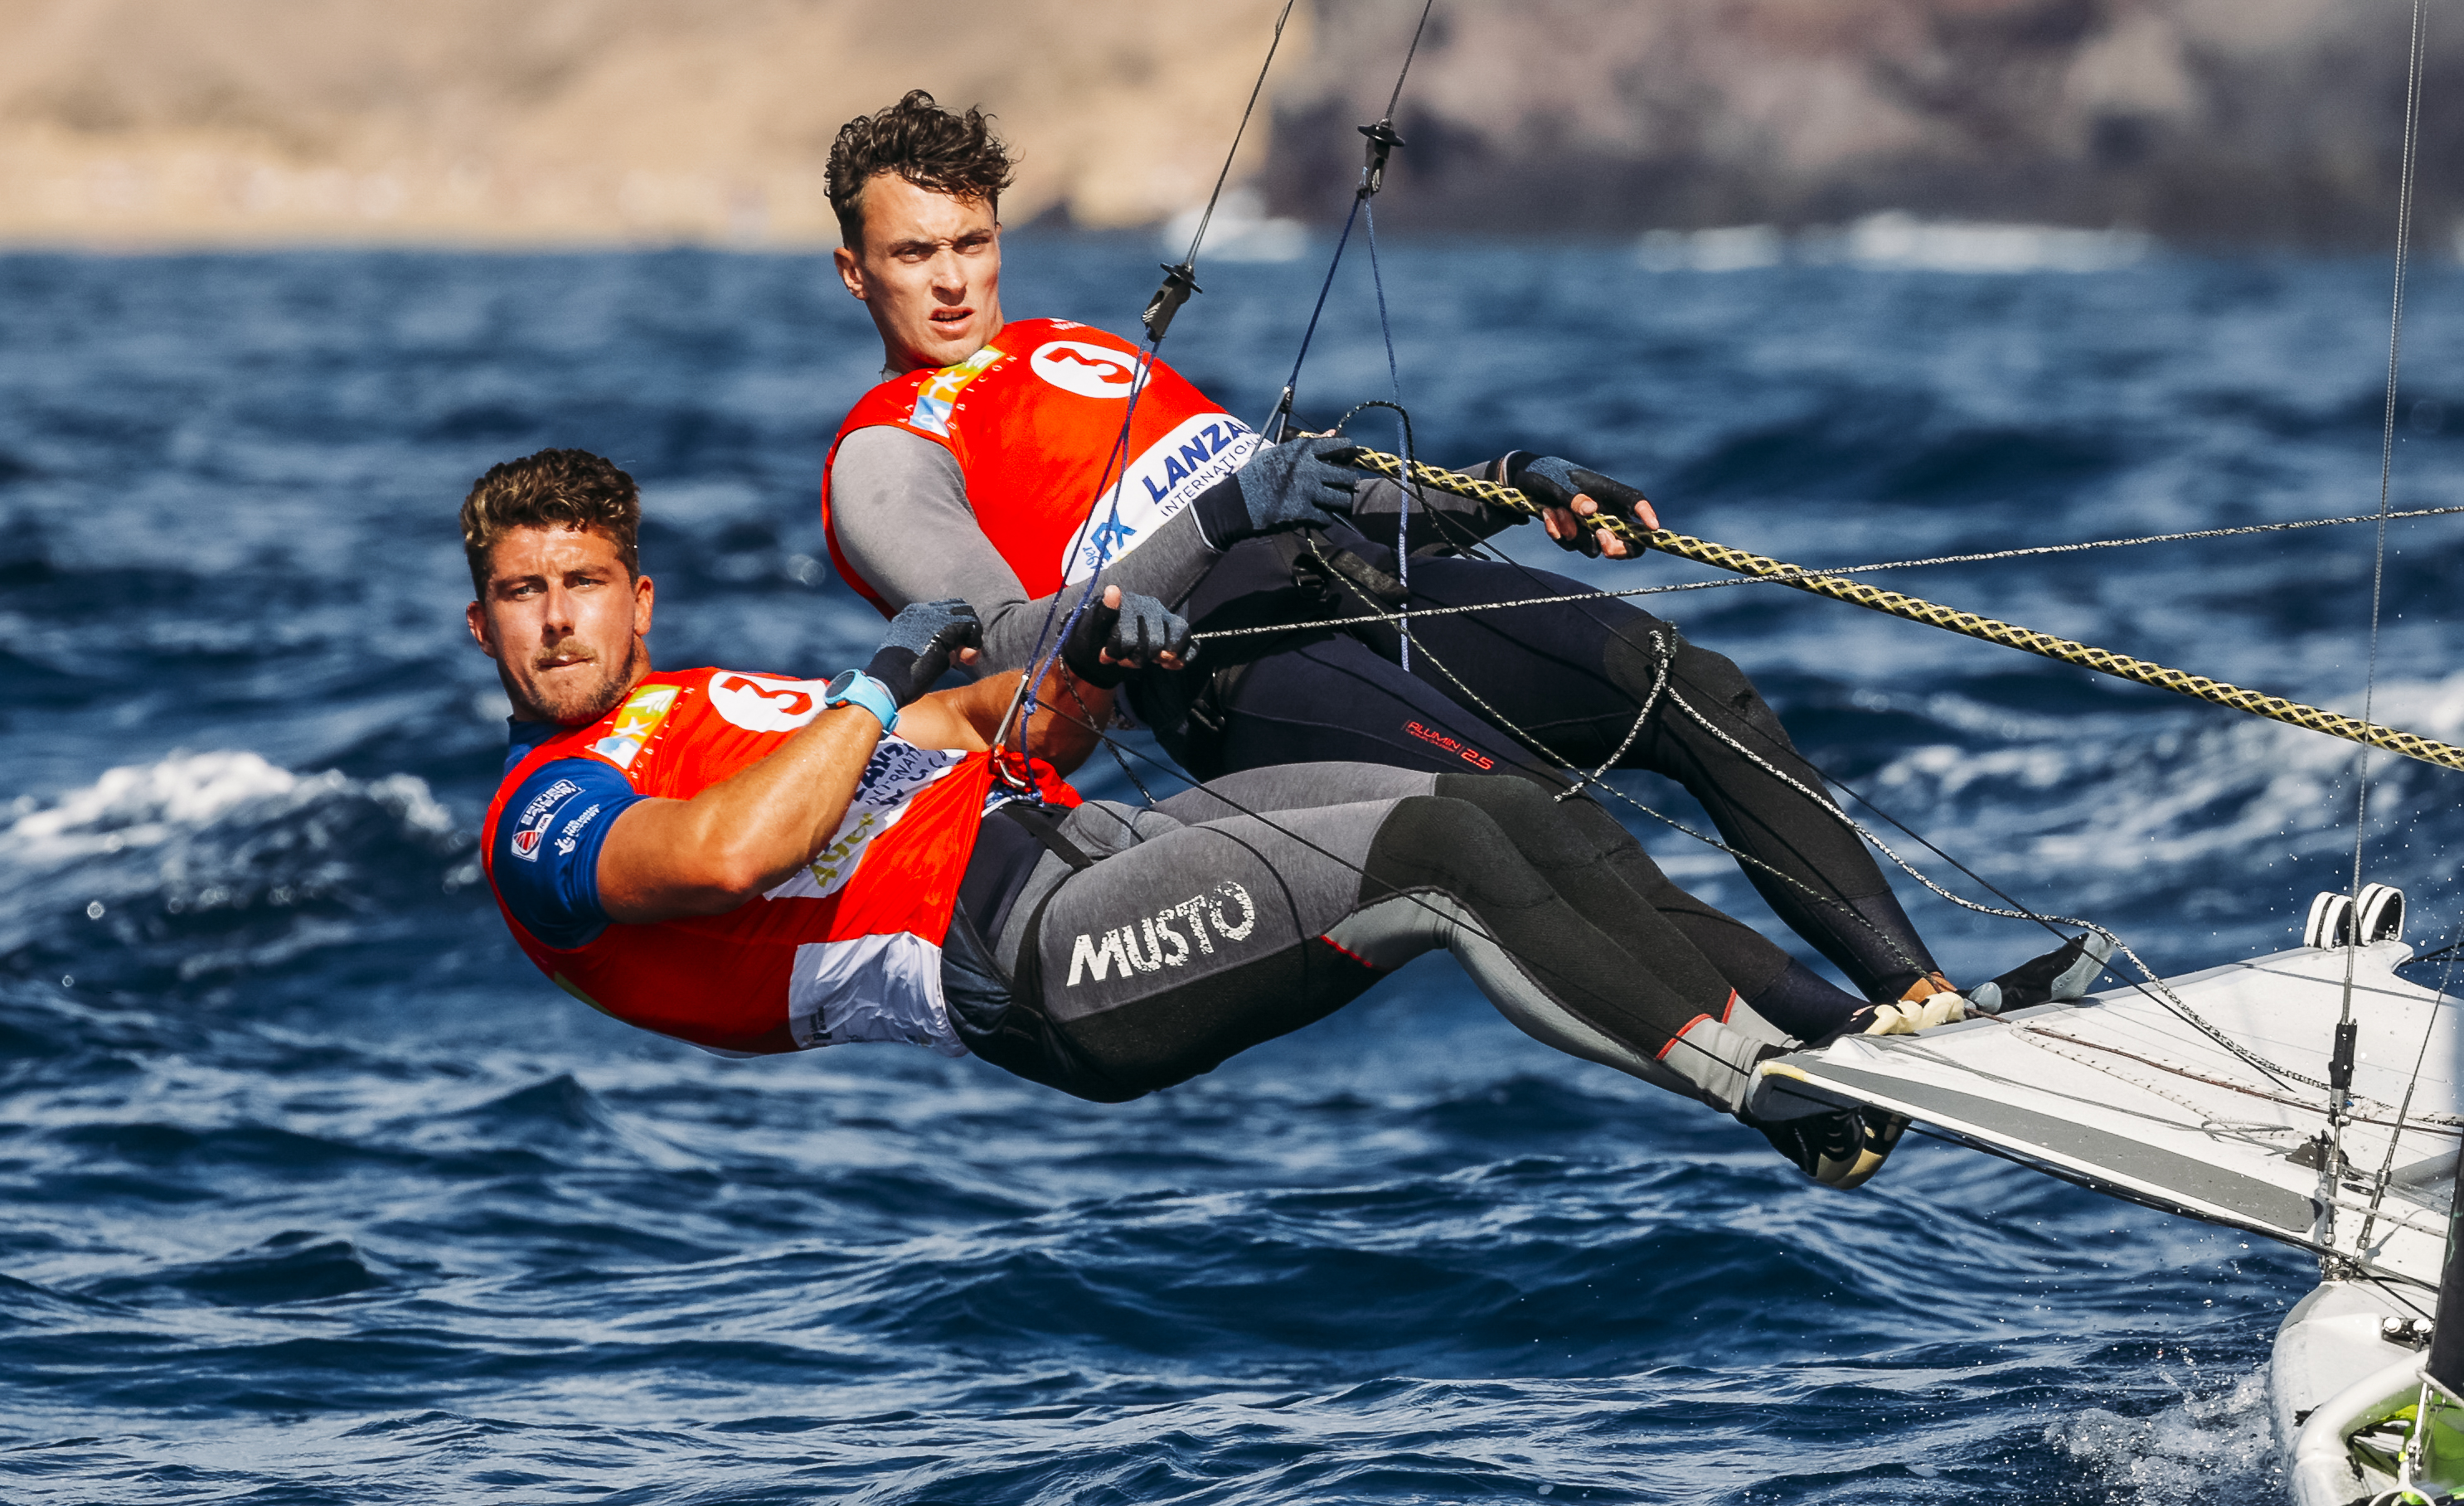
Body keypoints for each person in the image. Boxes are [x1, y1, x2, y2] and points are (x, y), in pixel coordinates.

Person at [815, 91, 2107, 1061]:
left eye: (970, 242)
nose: (951, 279)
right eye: (915, 254)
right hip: (1231, 663)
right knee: (1545, 822)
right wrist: (1216, 519)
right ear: (854, 269)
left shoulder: (1075, 346)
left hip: (1350, 573)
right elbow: (1013, 644)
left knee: (1676, 680)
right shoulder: (884, 453)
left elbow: (1315, 490)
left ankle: (1927, 996)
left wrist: (1503, 486)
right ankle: (1842, 1047)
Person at [464, 448, 1970, 1189]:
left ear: (636, 596)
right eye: (523, 595)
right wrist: (878, 674)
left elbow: (988, 723)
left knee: (1499, 802)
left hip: (1093, 853)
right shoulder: (544, 814)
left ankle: (1848, 1030)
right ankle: (1785, 1101)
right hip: (1032, 965)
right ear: (484, 629)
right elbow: (736, 851)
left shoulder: (723, 695)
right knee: (1437, 863)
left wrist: (1096, 664)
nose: (557, 620)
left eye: (581, 582)